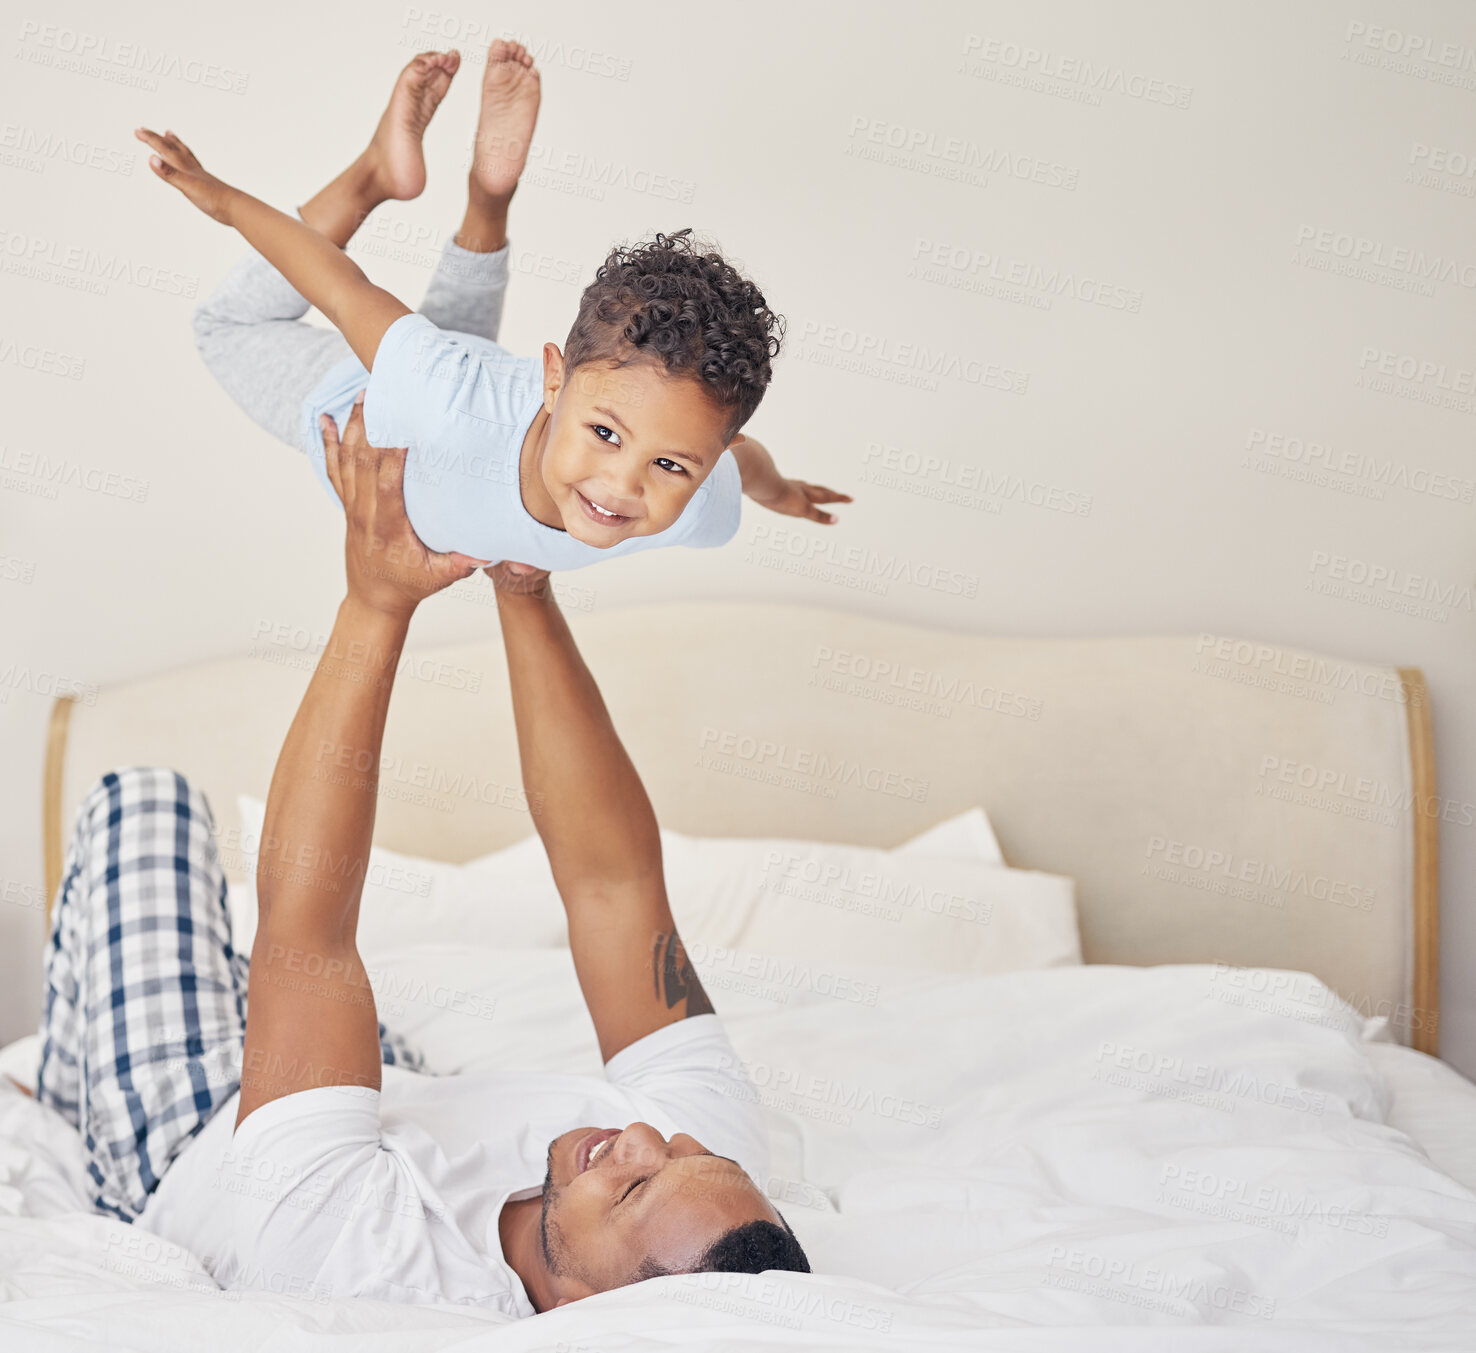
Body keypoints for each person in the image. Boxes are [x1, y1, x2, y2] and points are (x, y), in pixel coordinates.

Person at [35, 398, 810, 1313]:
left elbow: (309, 934)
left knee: (145, 801)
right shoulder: (719, 1197)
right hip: (392, 1098)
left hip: (193, 1124)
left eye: (635, 1184)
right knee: (341, 1025)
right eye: (683, 1151)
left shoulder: (365, 1262)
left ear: (585, 1313)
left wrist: (376, 599)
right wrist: (525, 582)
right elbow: (616, 886)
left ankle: (68, 1082)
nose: (645, 1133)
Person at [133, 41, 850, 569]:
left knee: (443, 354)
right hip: (369, 396)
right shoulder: (438, 390)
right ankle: (379, 177)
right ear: (554, 380)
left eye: (671, 467)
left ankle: (488, 196)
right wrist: (222, 199)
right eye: (604, 433)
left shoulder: (697, 508)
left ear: (705, 463)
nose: (622, 484)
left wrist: (782, 492)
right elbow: (336, 285)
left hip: (456, 401)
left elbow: (744, 459)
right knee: (225, 327)